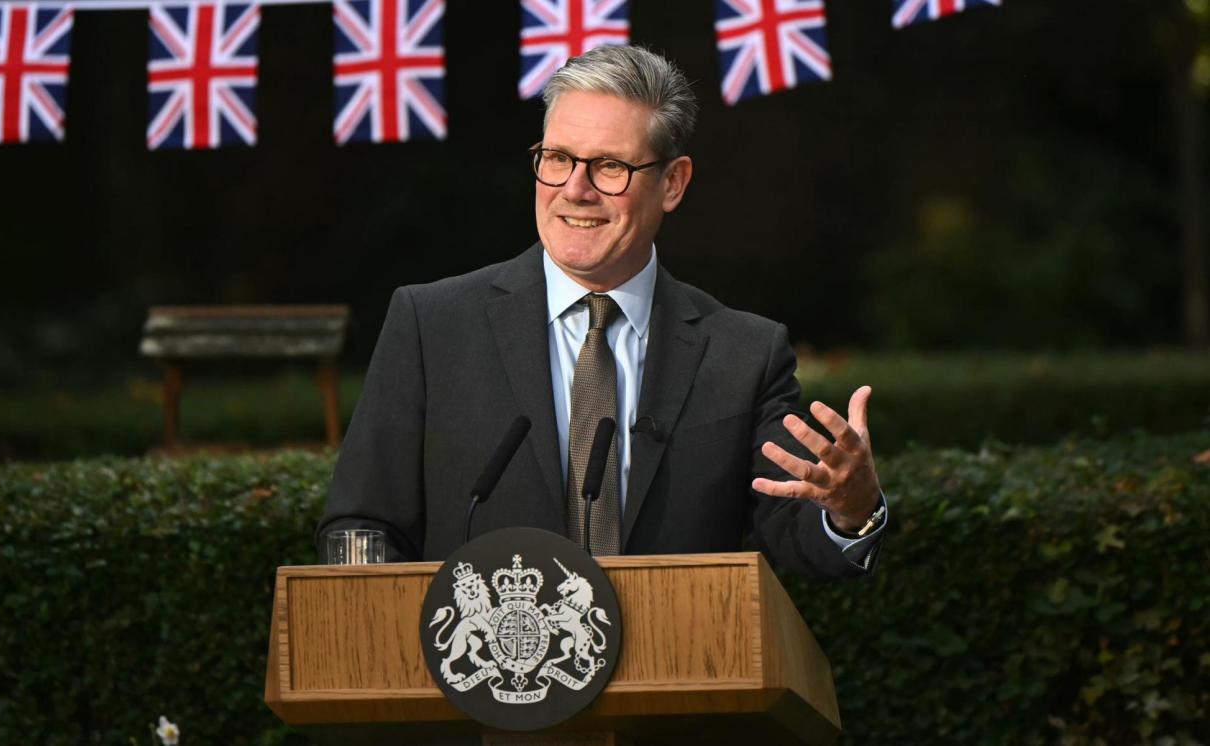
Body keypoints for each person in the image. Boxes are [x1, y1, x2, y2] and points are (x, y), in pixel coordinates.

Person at [317, 45, 886, 579]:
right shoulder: (431, 325)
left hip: (675, 673)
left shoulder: (744, 354)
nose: (575, 189)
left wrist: (850, 509)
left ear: (673, 183)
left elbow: (793, 534)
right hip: (481, 681)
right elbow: (363, 525)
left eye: (609, 166)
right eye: (558, 158)